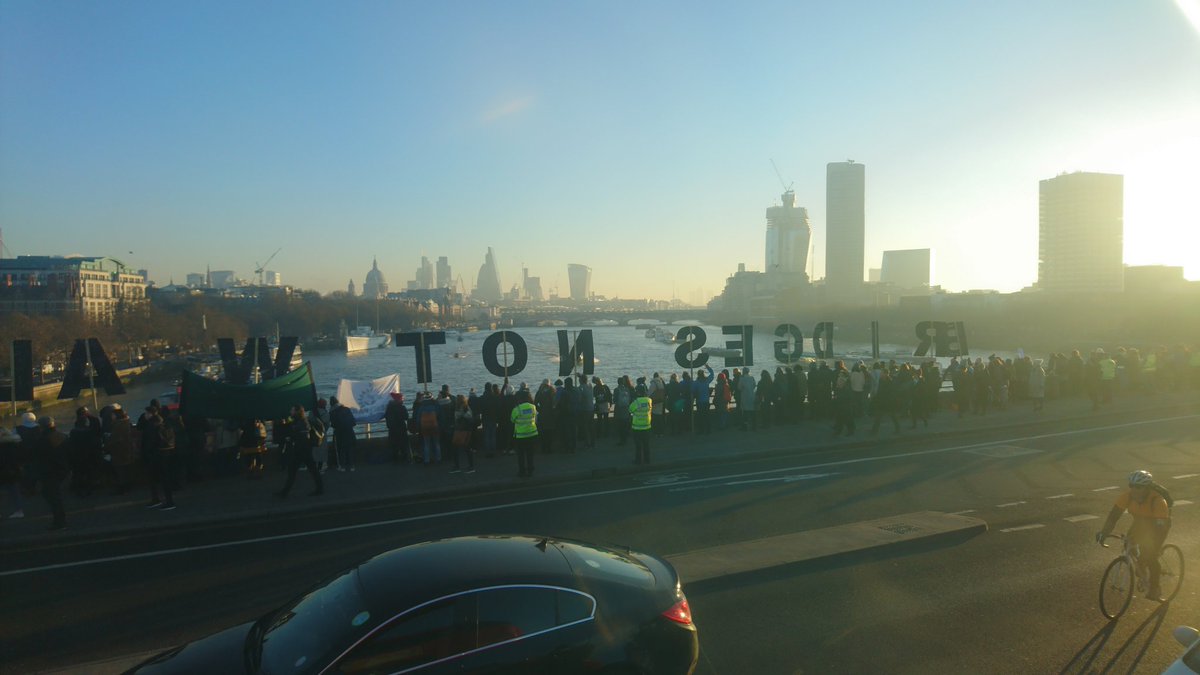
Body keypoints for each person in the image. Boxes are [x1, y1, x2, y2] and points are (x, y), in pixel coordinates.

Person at [1096, 470, 1171, 600]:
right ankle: (1141, 563)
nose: (1134, 490)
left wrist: (1150, 547)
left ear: (1147, 488)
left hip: (1159, 525)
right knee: (1129, 543)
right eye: (1132, 486)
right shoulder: (1127, 496)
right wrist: (1104, 532)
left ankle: (1155, 588)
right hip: (1140, 521)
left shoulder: (1158, 501)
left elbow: (1159, 530)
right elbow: (1113, 516)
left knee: (1151, 555)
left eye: (1139, 487)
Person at [276, 405, 323, 498]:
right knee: (312, 470)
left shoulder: (302, 422)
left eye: (292, 410)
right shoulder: (300, 420)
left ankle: (284, 493)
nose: (290, 411)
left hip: (302, 450)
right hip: (304, 450)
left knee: (294, 471)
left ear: (297, 411)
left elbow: (299, 434)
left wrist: (291, 436)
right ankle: (320, 488)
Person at [35, 416, 70, 530]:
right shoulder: (62, 436)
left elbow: (41, 458)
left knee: (53, 497)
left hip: (50, 472)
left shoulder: (43, 440)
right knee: (55, 497)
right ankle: (60, 521)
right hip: (63, 469)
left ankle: (60, 522)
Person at [511, 389, 538, 478]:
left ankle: (522, 471)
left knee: (521, 455)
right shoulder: (533, 407)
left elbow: (512, 420)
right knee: (530, 454)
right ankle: (531, 470)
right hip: (532, 434)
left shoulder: (516, 409)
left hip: (521, 436)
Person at [329, 396, 358, 472]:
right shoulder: (346, 409)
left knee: (341, 449)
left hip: (340, 433)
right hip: (349, 431)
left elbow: (333, 424)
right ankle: (352, 466)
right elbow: (353, 422)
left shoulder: (332, 412)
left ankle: (342, 466)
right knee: (350, 448)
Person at [450, 394, 476, 474]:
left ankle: (459, 467)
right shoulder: (466, 407)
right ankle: (470, 466)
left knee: (457, 449)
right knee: (467, 449)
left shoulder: (460, 408)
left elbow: (459, 418)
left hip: (461, 431)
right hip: (465, 430)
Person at [384, 393, 411, 463]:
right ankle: (405, 459)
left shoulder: (389, 408)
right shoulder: (402, 407)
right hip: (401, 428)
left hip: (392, 429)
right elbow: (406, 417)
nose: (403, 399)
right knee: (403, 445)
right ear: (399, 399)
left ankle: (395, 460)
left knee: (394, 445)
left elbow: (386, 417)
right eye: (402, 398)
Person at [630, 384, 652, 464]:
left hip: (637, 427)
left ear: (638, 392)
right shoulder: (649, 400)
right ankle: (647, 460)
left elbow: (630, 409)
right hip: (647, 426)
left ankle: (638, 461)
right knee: (646, 444)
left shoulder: (636, 402)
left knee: (638, 445)